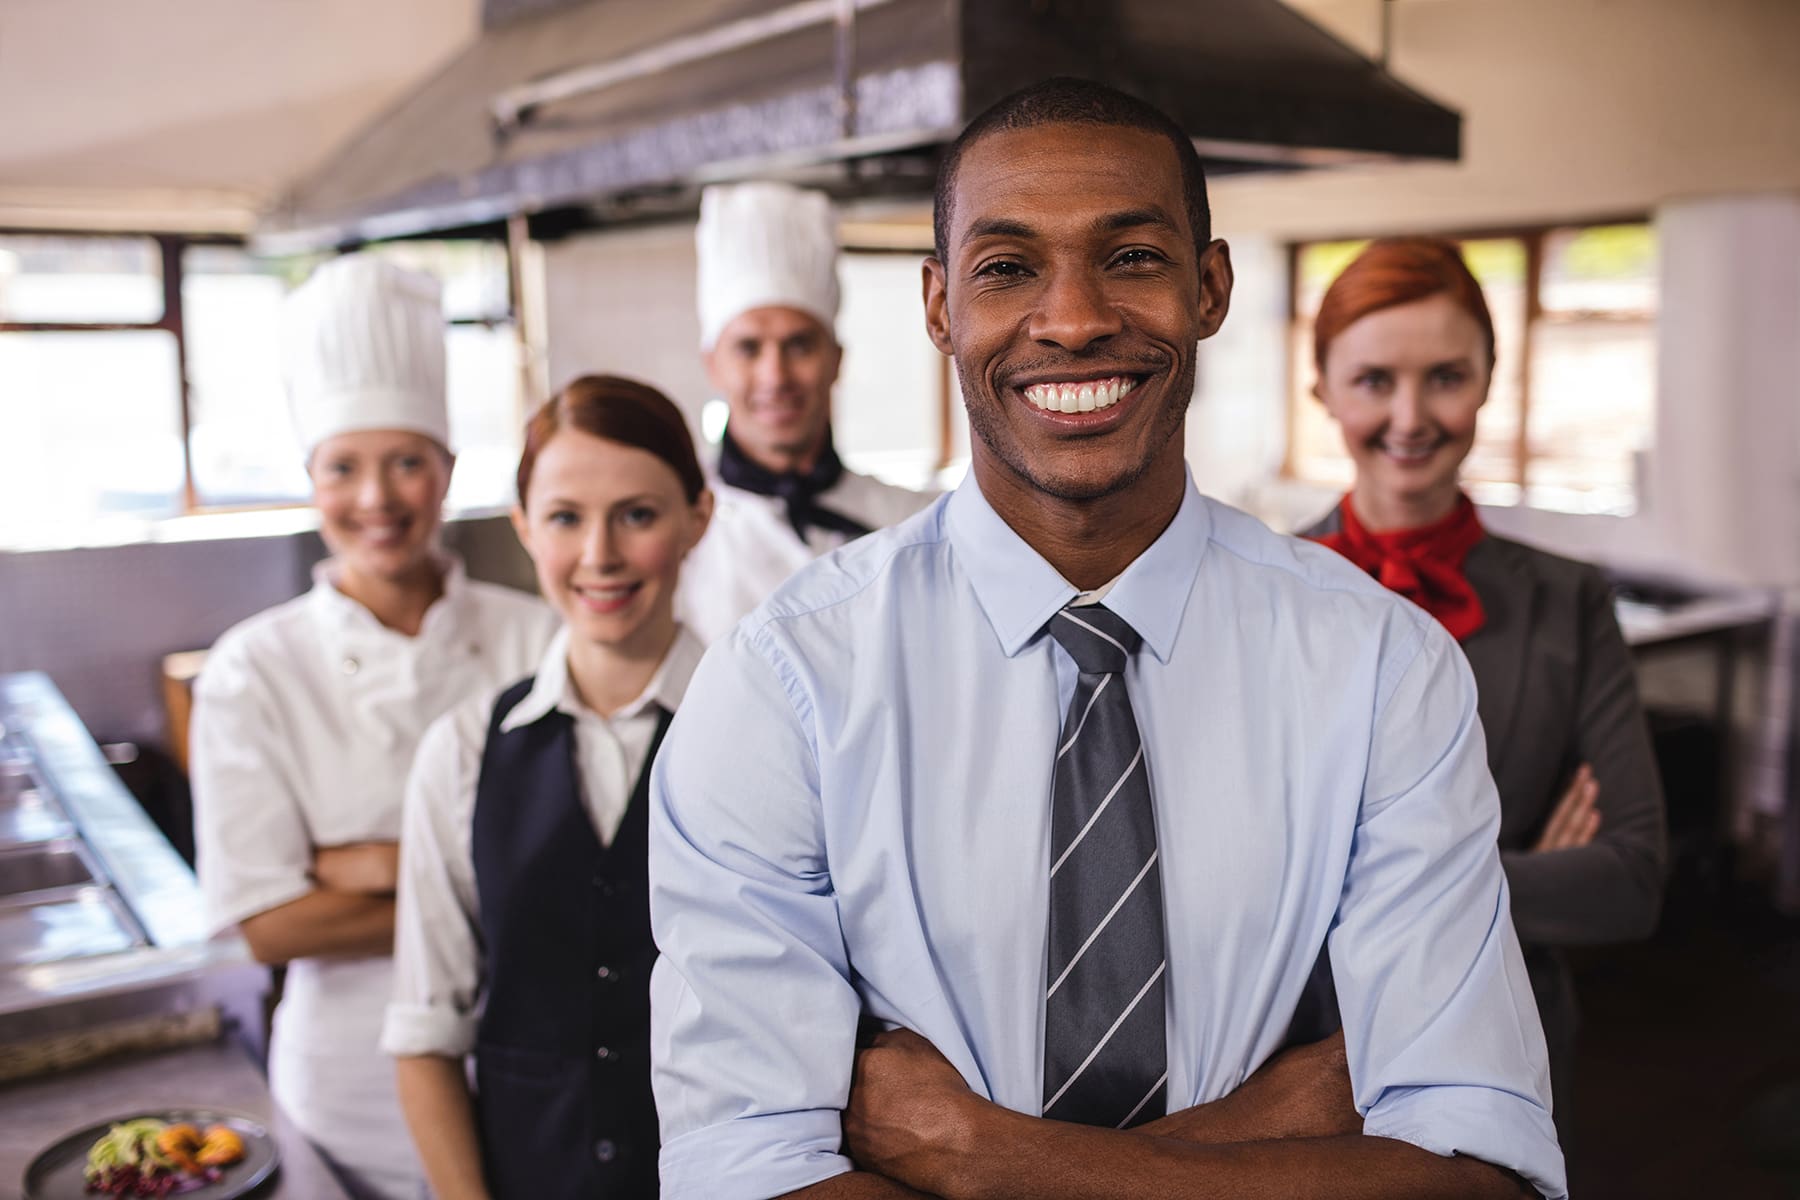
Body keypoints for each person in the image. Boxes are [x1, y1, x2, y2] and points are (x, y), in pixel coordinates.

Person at [648, 78, 1565, 1200]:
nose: (1074, 318)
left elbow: (1480, 1170)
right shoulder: (786, 684)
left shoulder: (1381, 667)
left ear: (1210, 287)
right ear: (939, 307)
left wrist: (988, 1158)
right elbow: (744, 1173)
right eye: (1007, 268)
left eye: (1131, 256)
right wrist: (1278, 1129)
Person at [190, 255, 557, 1200]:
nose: (377, 498)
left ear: (446, 470)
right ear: (310, 479)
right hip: (343, 1101)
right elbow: (270, 925)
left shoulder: (539, 633)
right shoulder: (252, 670)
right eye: (342, 467)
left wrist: (364, 866)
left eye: (405, 462)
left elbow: (597, 868)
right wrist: (486, 881)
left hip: (538, 1072)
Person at [1298, 235, 1667, 1138]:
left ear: (1489, 379)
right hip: (1290, 1051)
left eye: (1446, 377)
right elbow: (1212, 881)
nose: (1412, 416)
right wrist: (1513, 876)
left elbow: (1631, 879)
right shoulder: (1257, 592)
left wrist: (1330, 888)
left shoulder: (1572, 601)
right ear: (1323, 393)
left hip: (1508, 1039)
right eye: (1375, 379)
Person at [383, 375, 713, 1199]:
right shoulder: (460, 754)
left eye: (637, 514)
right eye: (566, 517)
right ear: (525, 526)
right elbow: (426, 1036)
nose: (599, 554)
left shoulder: (766, 733)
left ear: (696, 520)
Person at [676, 180, 936, 643]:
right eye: (749, 348)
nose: (776, 376)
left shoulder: (915, 521)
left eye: (799, 345)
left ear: (836, 359)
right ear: (712, 364)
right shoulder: (679, 536)